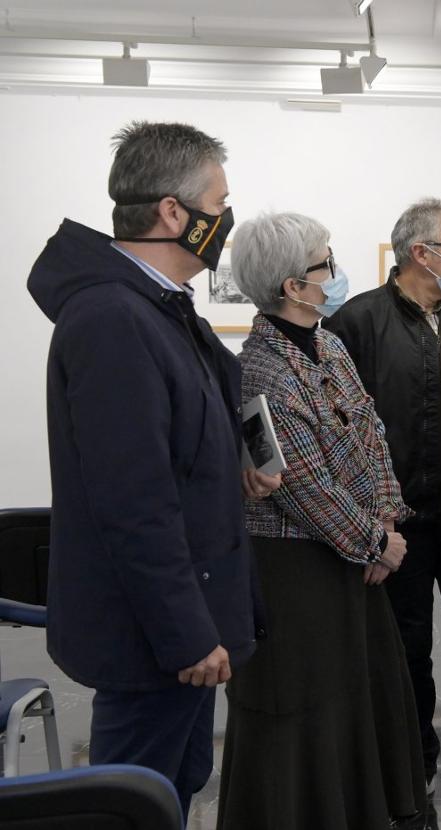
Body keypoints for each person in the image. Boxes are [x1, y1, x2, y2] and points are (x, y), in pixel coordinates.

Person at [26, 121, 277, 822]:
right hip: (157, 637)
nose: (225, 221)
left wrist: (238, 457)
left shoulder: (159, 310)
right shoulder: (112, 319)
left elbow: (186, 427)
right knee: (127, 804)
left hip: (185, 617)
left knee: (176, 782)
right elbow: (133, 501)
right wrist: (187, 634)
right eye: (219, 204)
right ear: (174, 212)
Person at [216, 212, 428, 830]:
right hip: (299, 568)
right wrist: (374, 545)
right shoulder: (262, 370)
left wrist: (386, 520)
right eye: (324, 264)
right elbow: (301, 485)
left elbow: (371, 431)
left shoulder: (330, 343)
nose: (334, 274)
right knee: (309, 706)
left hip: (356, 549)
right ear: (292, 286)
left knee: (362, 697)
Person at [325, 199, 441, 801]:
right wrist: (366, 525)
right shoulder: (357, 323)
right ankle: (414, 764)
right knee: (406, 652)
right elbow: (337, 431)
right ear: (420, 253)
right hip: (397, 529)